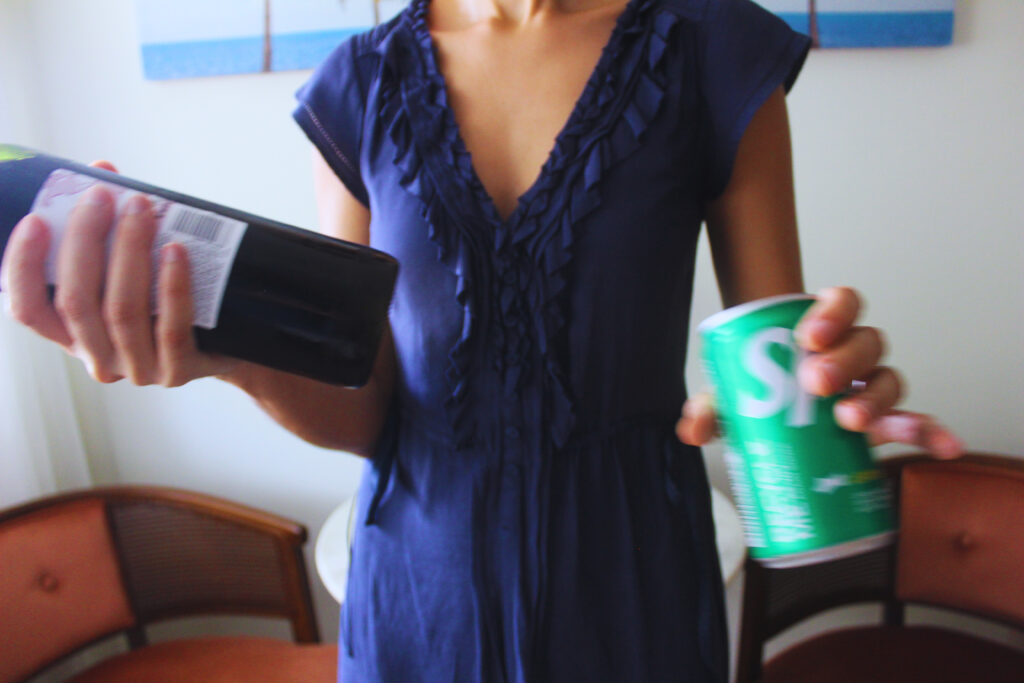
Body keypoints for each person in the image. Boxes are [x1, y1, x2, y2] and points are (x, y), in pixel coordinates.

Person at [0, 0, 962, 680]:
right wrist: (228, 352)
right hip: (417, 601)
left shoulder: (714, 49)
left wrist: (827, 394)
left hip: (633, 594)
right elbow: (363, 405)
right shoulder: (360, 83)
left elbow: (777, 361)